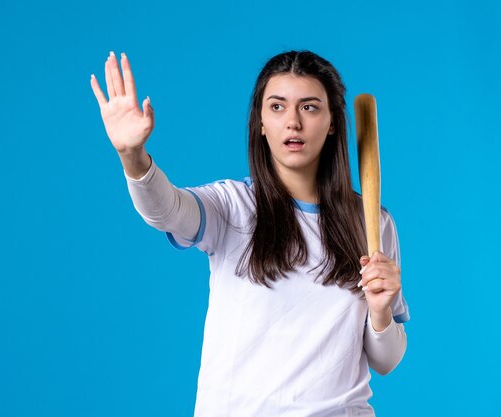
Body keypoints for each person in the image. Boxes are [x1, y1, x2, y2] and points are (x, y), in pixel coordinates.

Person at [90, 50, 409, 417]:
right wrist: (133, 156)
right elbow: (166, 210)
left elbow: (387, 361)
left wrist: (381, 310)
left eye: (309, 107)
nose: (293, 122)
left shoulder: (372, 223)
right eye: (277, 107)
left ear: (333, 122)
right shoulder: (232, 206)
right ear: (260, 122)